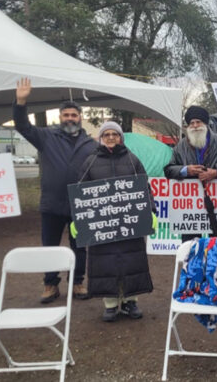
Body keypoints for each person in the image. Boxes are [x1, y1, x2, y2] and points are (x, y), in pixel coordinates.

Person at [14, 78, 96, 304]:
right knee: (49, 246)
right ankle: (50, 284)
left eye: (74, 115)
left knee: (79, 246)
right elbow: (22, 127)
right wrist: (20, 102)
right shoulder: (46, 136)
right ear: (60, 117)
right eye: (66, 115)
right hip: (52, 203)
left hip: (81, 205)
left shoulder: (91, 144)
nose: (70, 118)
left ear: (80, 118)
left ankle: (78, 281)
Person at [78, 121, 153, 321]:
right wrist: (78, 219)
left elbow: (145, 188)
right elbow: (81, 191)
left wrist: (149, 211)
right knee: (106, 263)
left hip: (130, 222)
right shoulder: (90, 162)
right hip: (102, 225)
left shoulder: (132, 159)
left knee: (131, 261)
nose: (111, 137)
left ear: (121, 137)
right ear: (101, 138)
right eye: (107, 134)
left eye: (115, 134)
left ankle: (131, 302)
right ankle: (110, 304)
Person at [164, 106, 217, 241]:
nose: (195, 126)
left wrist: (216, 172)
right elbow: (169, 169)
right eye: (191, 123)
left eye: (198, 122)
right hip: (190, 208)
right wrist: (186, 170)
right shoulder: (180, 146)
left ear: (205, 123)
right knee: (190, 246)